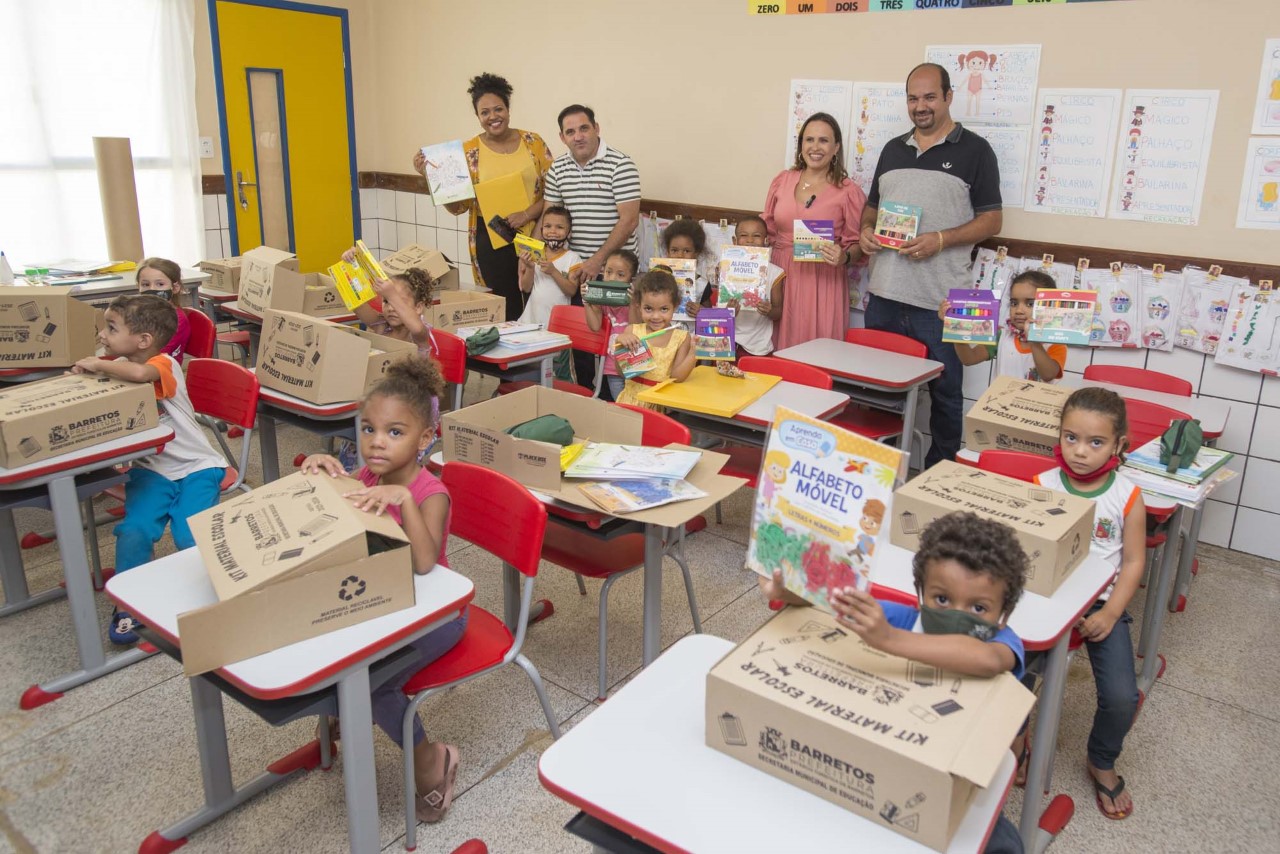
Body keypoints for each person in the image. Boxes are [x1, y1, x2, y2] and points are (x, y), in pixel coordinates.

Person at [760, 510, 1029, 854]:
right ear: (920, 593)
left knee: (1001, 845)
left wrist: (889, 640)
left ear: (1003, 614)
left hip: (958, 776)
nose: (955, 615)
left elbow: (989, 661)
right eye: (942, 599)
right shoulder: (904, 618)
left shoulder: (1004, 642)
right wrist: (789, 590)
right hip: (887, 756)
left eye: (978, 608)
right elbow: (833, 604)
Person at [301, 357, 467, 825]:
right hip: (382, 602)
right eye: (368, 428)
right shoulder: (370, 473)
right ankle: (342, 712)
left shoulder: (430, 491)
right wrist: (324, 472)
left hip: (439, 616)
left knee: (373, 685)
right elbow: (343, 502)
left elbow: (424, 562)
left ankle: (432, 760)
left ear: (425, 439)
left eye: (395, 432)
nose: (376, 442)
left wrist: (405, 502)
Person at [858, 62, 1003, 468]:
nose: (920, 106)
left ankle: (939, 477)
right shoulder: (892, 149)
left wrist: (941, 239)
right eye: (912, 98)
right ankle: (878, 470)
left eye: (929, 97)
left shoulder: (976, 150)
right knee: (879, 391)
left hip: (941, 300)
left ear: (948, 97)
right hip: (885, 295)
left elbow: (992, 220)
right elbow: (872, 208)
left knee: (946, 394)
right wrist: (867, 230)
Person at [72, 295, 226, 645]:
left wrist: (99, 363)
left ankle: (207, 598)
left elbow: (141, 374)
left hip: (196, 468)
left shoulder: (164, 364)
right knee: (135, 531)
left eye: (112, 328)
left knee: (190, 535)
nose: (103, 334)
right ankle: (131, 603)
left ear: (143, 340)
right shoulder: (120, 362)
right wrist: (84, 373)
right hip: (150, 470)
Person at [1033, 388, 1144, 821]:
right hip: (1044, 601)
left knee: (1122, 697)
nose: (1080, 452)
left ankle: (1101, 759)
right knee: (1011, 677)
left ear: (1119, 445)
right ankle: (1017, 743)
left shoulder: (1127, 496)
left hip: (1101, 606)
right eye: (1070, 438)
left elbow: (1133, 562)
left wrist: (1112, 612)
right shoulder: (1040, 485)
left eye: (1096, 443)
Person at [411, 73, 553, 321]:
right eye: (484, 112)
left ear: (508, 109)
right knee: (503, 307)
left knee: (539, 303)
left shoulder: (534, 142)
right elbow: (457, 206)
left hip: (535, 234)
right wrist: (430, 177)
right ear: (478, 116)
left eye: (498, 109)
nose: (492, 117)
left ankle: (540, 359)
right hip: (491, 241)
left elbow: (554, 191)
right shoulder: (467, 152)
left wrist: (527, 214)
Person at [541, 104, 641, 391]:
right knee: (584, 346)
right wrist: (537, 254)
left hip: (614, 273)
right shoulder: (558, 168)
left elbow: (629, 220)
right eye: (570, 131)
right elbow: (550, 216)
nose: (578, 136)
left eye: (584, 128)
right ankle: (588, 401)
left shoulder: (621, 164)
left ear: (596, 128)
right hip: (575, 273)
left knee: (621, 344)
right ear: (562, 137)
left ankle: (618, 406)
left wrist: (598, 261)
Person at [762, 112, 865, 349]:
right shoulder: (783, 180)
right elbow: (765, 230)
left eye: (823, 140)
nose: (815, 147)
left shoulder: (848, 191)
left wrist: (845, 256)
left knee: (816, 351)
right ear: (801, 145)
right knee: (777, 350)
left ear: (836, 147)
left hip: (822, 281)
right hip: (780, 276)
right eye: (809, 140)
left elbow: (858, 245)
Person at [941, 270, 1065, 382]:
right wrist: (954, 326)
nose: (1019, 310)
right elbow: (968, 359)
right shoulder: (1001, 336)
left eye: (1030, 304)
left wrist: (1034, 339)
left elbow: (1048, 375)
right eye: (1014, 303)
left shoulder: (1056, 342)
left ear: (1049, 307)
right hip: (999, 406)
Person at [613, 269, 694, 411]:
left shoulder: (681, 337)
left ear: (675, 305)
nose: (656, 316)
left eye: (664, 309)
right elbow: (621, 373)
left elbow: (677, 377)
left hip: (661, 407)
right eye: (648, 309)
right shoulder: (632, 331)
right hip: (631, 404)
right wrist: (619, 344)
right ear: (639, 305)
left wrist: (694, 353)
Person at [582, 249, 639, 401]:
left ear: (630, 279)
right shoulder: (602, 299)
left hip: (635, 364)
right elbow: (595, 326)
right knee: (620, 403)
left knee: (635, 404)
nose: (612, 278)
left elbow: (636, 327)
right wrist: (588, 303)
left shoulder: (635, 300)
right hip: (612, 366)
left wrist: (633, 303)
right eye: (608, 272)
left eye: (620, 275)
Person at [726, 215, 785, 357]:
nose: (750, 240)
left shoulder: (775, 273)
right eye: (744, 235)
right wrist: (728, 310)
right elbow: (717, 311)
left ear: (766, 241)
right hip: (728, 341)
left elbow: (778, 312)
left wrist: (769, 310)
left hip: (758, 345)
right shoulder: (725, 267)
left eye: (756, 236)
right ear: (734, 241)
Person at [516, 205, 582, 327]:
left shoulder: (573, 258)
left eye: (560, 227)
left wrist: (554, 272)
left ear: (569, 232)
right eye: (548, 226)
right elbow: (526, 288)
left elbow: (571, 291)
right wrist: (530, 267)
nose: (553, 231)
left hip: (556, 324)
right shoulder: (535, 254)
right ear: (541, 230)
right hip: (530, 322)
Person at [658, 218, 711, 326]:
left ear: (696, 253)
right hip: (660, 335)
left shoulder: (702, 284)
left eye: (686, 251)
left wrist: (702, 312)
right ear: (667, 252)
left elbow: (710, 316)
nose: (680, 255)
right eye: (674, 250)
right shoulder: (657, 279)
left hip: (690, 337)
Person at [136, 257, 190, 362]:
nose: (152, 289)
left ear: (175, 288)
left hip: (160, 372)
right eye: (145, 284)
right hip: (137, 366)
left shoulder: (177, 320)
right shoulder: (138, 313)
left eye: (160, 284)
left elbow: (154, 357)